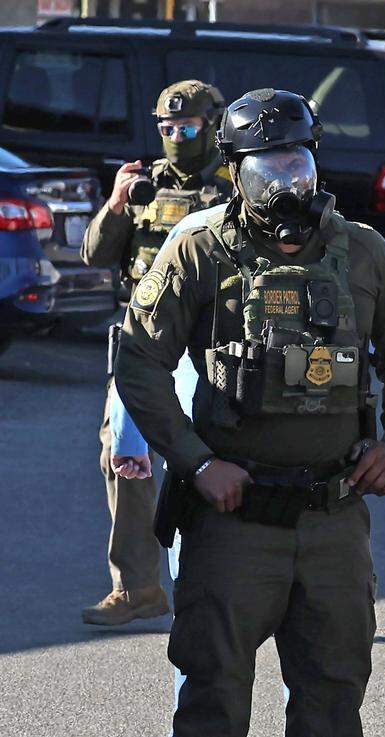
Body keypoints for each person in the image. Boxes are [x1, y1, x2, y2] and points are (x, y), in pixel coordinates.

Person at [114, 88, 385, 736]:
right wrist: (195, 460)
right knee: (213, 695)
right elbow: (139, 360)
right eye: (266, 168)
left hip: (333, 519)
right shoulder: (199, 250)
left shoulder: (366, 252)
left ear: (315, 163)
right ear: (235, 171)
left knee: (334, 695)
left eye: (296, 165)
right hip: (233, 517)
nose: (285, 183)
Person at [80, 80, 231, 626]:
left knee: (206, 458)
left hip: (207, 342)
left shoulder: (234, 184)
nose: (174, 137)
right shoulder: (146, 184)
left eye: (186, 128)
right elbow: (96, 252)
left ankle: (212, 584)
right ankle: (138, 586)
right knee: (124, 460)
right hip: (142, 338)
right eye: (165, 128)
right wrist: (117, 202)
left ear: (212, 126)